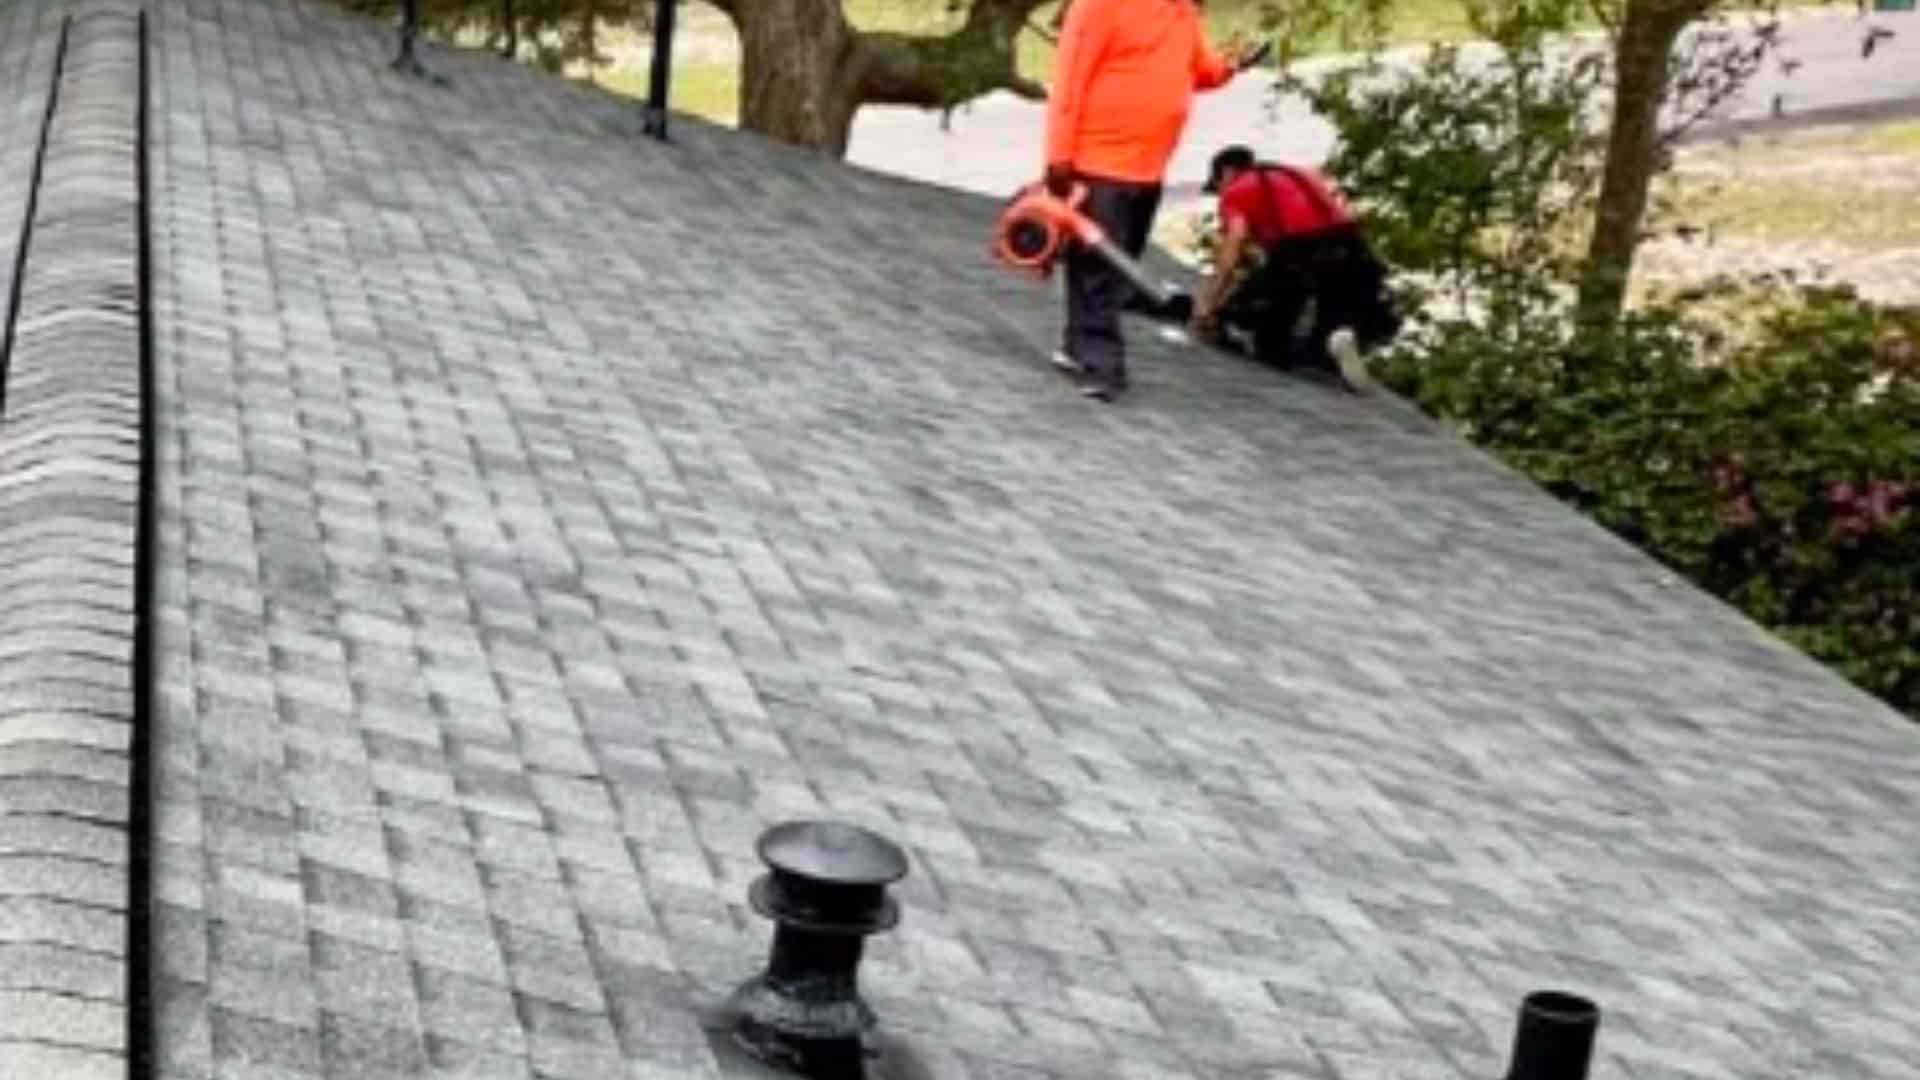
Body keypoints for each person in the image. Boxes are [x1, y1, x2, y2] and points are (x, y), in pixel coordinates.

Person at [1043, 0, 1258, 402]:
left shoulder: (1181, 11)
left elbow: (1201, 70)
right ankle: (1102, 366)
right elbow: (1069, 80)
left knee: (1121, 262)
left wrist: (1233, 64)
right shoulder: (1097, 6)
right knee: (1098, 268)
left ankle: (1078, 347)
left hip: (1149, 169)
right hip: (1098, 161)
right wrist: (1059, 156)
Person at [1187, 144, 1399, 393]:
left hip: (1301, 250)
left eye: (1217, 187)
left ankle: (1296, 350)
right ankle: (1331, 347)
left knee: (1266, 334)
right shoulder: (1298, 174)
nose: (1219, 194)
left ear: (1225, 173)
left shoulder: (1236, 191)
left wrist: (1210, 304)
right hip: (1350, 244)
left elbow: (1233, 249)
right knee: (1339, 316)